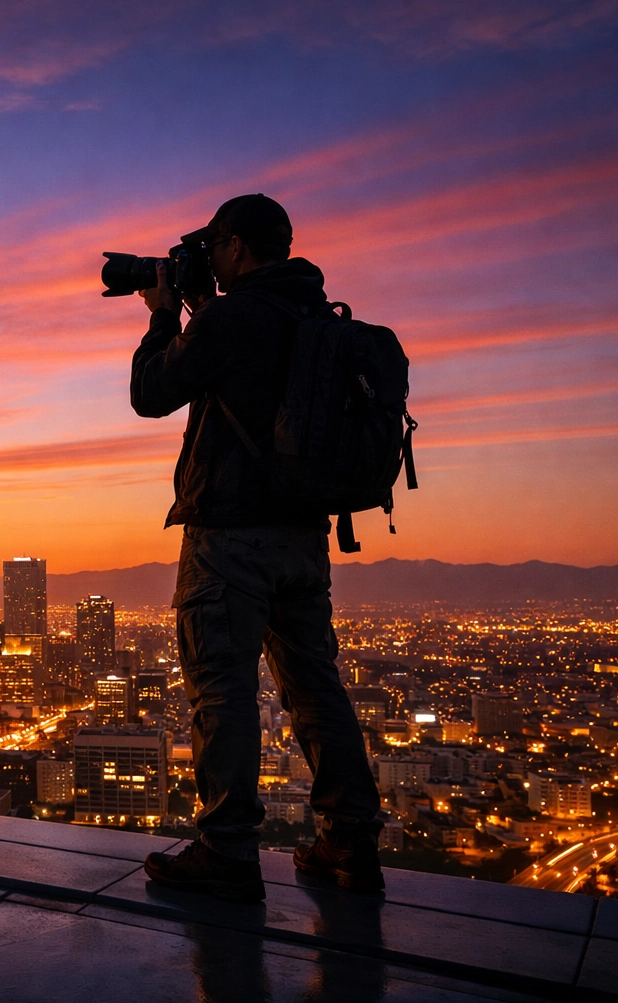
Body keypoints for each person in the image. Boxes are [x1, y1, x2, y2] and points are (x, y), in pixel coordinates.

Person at [130, 194, 384, 904]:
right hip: (303, 539)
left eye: (213, 245)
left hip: (230, 539)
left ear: (237, 247)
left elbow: (151, 393)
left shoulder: (235, 317)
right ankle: (351, 839)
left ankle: (227, 851)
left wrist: (162, 313)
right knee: (313, 687)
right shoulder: (312, 317)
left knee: (223, 694)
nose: (207, 257)